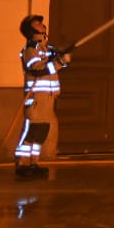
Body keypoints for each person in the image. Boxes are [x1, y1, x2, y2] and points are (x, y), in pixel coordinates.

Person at [16, 14, 70, 178]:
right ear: (31, 31)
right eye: (38, 24)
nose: (42, 25)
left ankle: (34, 163)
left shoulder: (46, 49)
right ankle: (22, 165)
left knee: (40, 134)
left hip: (48, 99)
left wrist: (63, 56)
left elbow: (57, 59)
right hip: (36, 100)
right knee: (32, 132)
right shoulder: (30, 51)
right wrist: (59, 63)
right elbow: (38, 69)